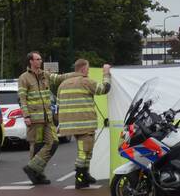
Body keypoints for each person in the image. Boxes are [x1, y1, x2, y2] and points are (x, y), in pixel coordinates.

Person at [18, 52, 78, 185]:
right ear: (31, 62)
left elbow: (59, 78)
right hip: (34, 119)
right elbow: (22, 99)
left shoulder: (44, 75)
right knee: (37, 146)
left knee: (54, 142)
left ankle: (32, 167)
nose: (40, 61)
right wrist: (26, 116)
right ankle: (38, 174)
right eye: (38, 59)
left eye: (40, 59)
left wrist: (76, 74)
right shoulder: (24, 78)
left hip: (47, 118)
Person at [56, 60, 112, 188]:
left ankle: (85, 174)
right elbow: (104, 89)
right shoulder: (85, 81)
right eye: (87, 69)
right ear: (82, 70)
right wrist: (106, 73)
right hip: (84, 123)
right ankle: (80, 178)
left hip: (69, 124)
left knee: (87, 149)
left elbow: (58, 104)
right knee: (84, 151)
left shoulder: (63, 84)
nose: (88, 72)